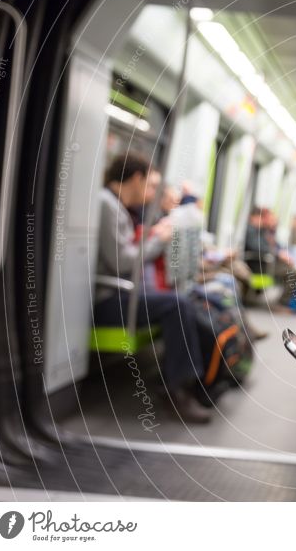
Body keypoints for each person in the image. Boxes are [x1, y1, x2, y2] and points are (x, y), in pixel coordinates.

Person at [94, 153, 212, 424]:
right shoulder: (106, 204)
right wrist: (158, 239)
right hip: (108, 299)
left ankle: (192, 379)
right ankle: (177, 389)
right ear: (136, 178)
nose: (150, 195)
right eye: (149, 186)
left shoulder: (119, 207)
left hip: (123, 295)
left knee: (183, 302)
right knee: (177, 304)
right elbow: (122, 260)